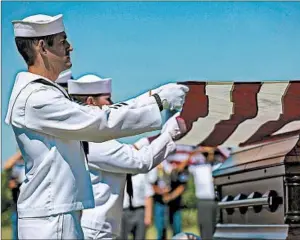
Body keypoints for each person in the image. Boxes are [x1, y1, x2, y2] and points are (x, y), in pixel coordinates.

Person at [6, 13, 188, 239]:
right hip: (52, 219)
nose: (70, 47)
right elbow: (100, 121)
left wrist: (153, 97)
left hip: (57, 213)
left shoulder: (42, 93)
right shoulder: (37, 97)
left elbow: (99, 115)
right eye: (63, 41)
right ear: (42, 47)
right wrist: (158, 102)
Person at [66, 74, 187, 239]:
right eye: (107, 99)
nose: (111, 104)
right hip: (97, 231)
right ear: (90, 102)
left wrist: (158, 96)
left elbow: (127, 112)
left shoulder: (87, 135)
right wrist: (170, 133)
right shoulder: (93, 141)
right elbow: (140, 161)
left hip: (99, 227)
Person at [3, 151, 25, 240]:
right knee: (16, 234)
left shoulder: (30, 163)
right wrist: (20, 152)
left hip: (30, 206)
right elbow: (7, 165)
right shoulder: (15, 164)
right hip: (16, 206)